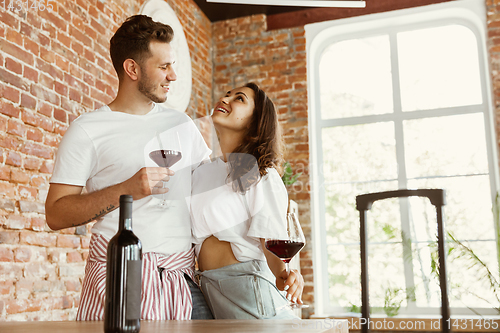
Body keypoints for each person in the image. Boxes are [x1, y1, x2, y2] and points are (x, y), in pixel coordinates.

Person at [45, 15, 213, 320]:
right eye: (164, 67)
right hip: (119, 278)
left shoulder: (181, 124)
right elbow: (56, 213)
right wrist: (127, 190)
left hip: (183, 279)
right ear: (132, 69)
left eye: (172, 65)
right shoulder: (88, 130)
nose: (173, 76)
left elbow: (209, 201)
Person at [190, 82, 305, 319]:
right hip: (209, 289)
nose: (226, 99)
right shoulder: (202, 172)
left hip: (249, 290)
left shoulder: (261, 174)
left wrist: (285, 273)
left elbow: (271, 242)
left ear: (255, 123)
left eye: (239, 99)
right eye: (227, 94)